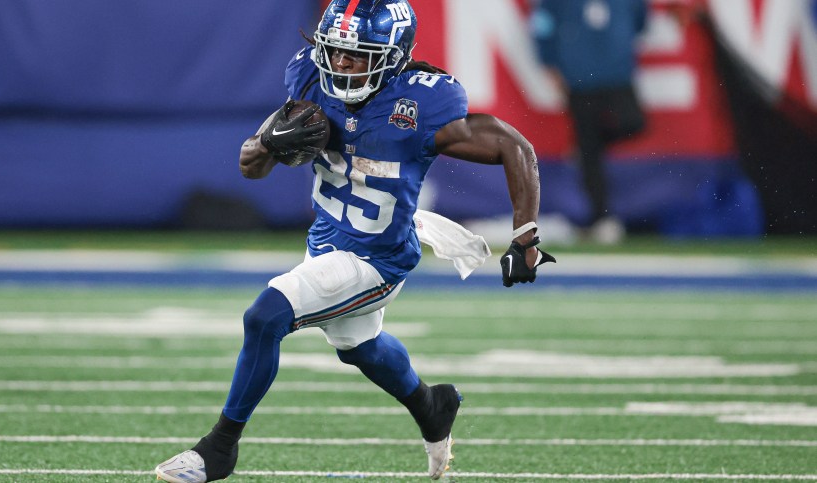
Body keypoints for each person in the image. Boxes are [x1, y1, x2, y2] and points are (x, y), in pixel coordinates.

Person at [155, 1, 554, 481]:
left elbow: (515, 146)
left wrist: (525, 236)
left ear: (392, 55)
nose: (341, 64)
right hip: (325, 241)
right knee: (359, 345)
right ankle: (432, 405)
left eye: (357, 54)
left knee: (265, 316)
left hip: (378, 258)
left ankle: (219, 448)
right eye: (336, 50)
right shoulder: (308, 79)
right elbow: (250, 165)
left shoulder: (421, 103)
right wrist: (269, 144)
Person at [531, 0, 648, 244]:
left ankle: (587, 150)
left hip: (617, 72)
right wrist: (549, 62)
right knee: (590, 152)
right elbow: (543, 25)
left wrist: (619, 41)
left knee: (632, 124)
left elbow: (640, 19)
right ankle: (601, 218)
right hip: (579, 77)